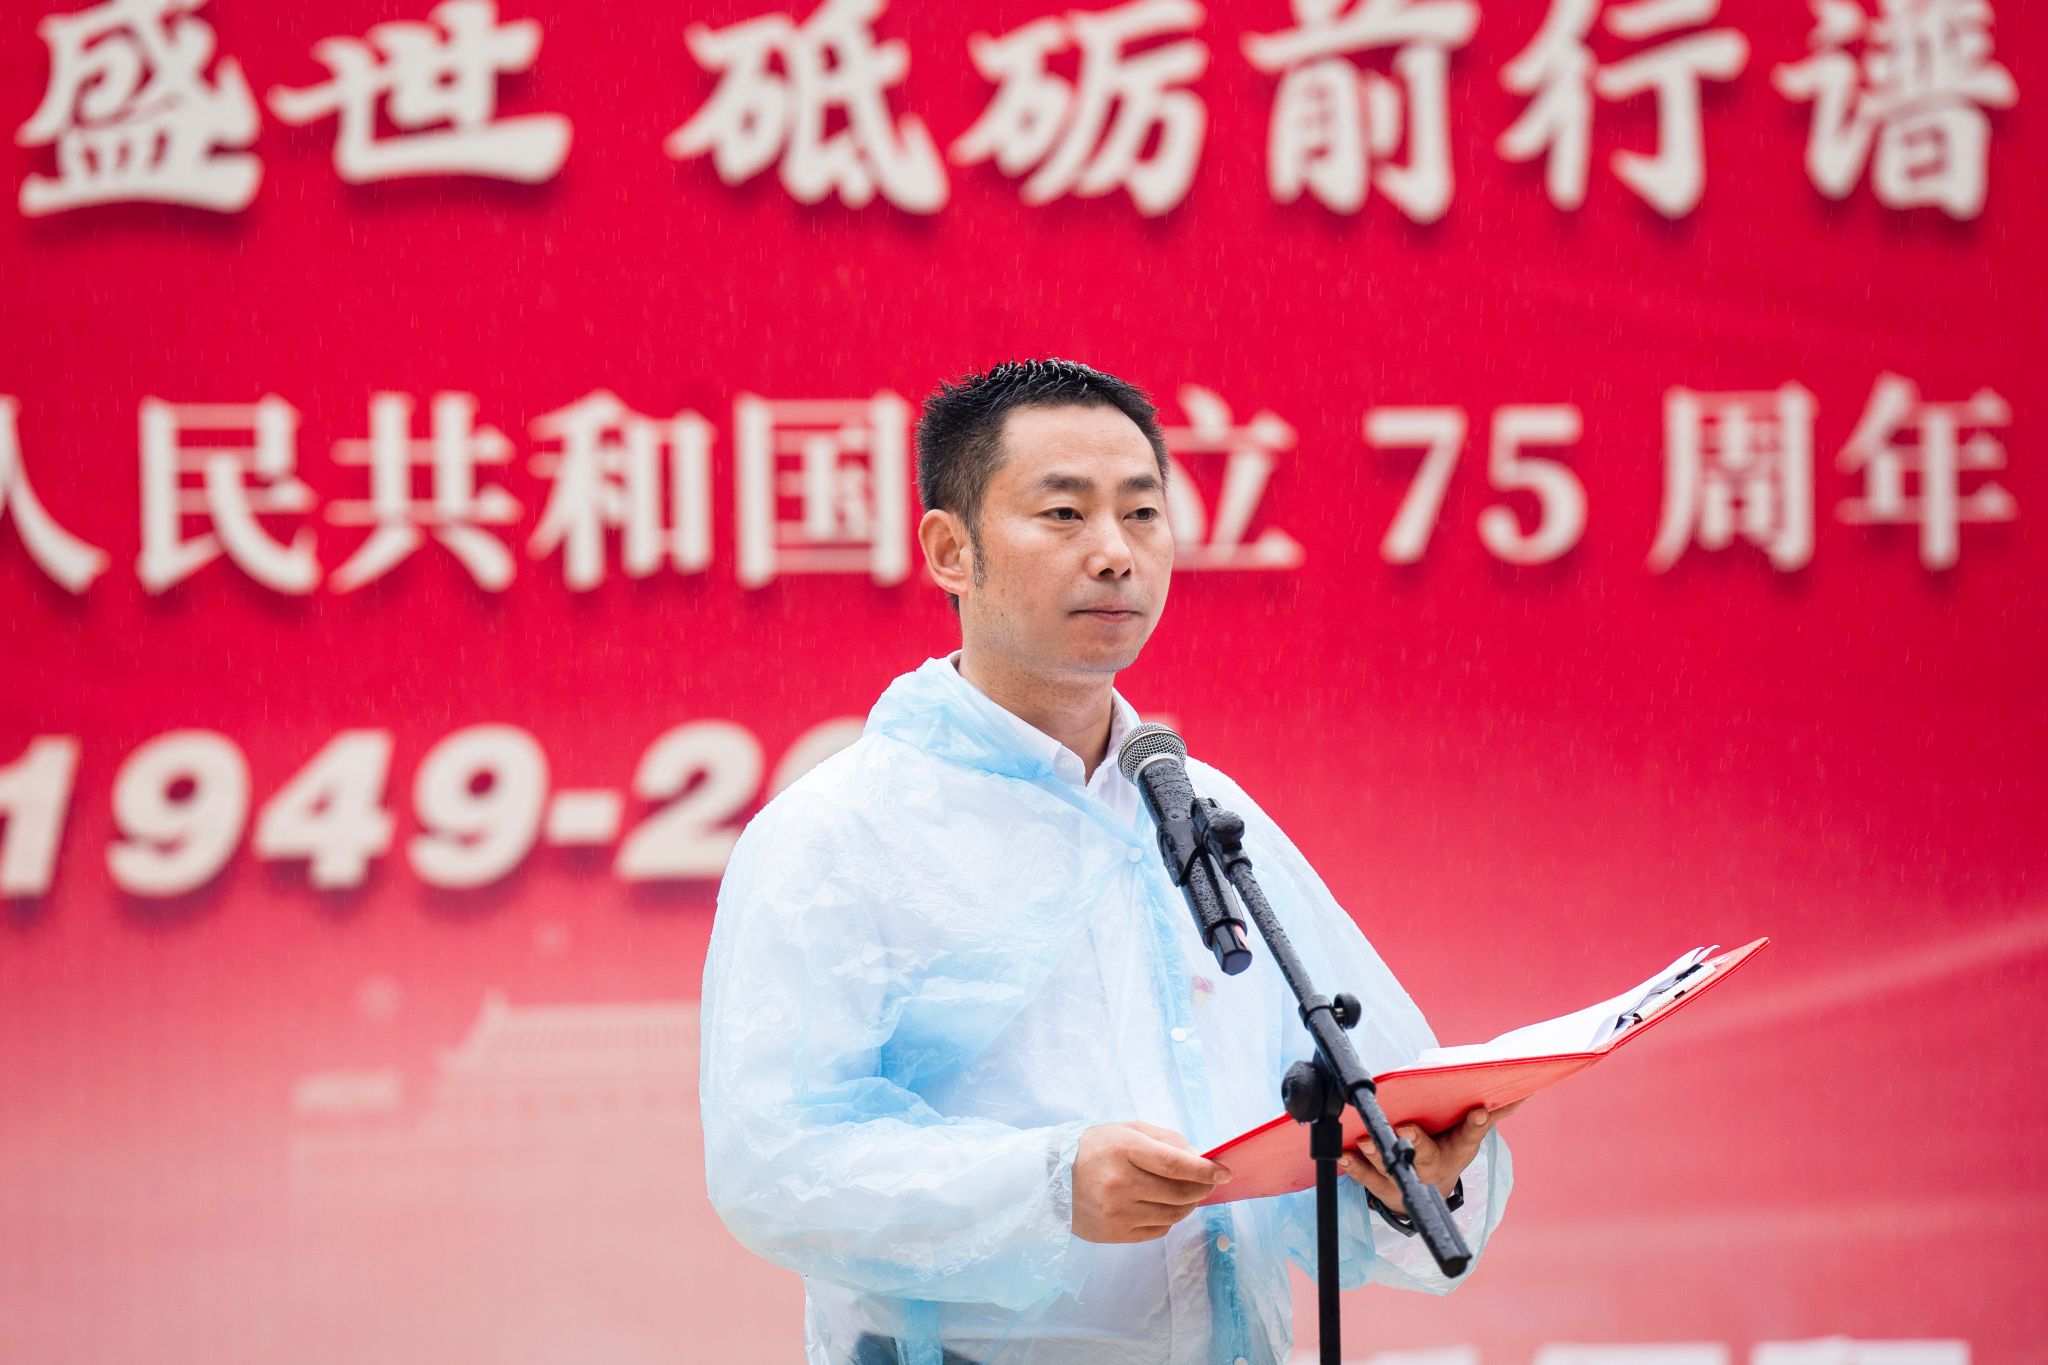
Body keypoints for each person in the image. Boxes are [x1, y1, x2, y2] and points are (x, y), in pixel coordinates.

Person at [700, 359, 1516, 1365]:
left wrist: (1403, 1167)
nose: (1115, 554)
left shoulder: (1205, 814)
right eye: (1063, 514)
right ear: (951, 551)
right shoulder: (840, 832)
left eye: (1141, 513)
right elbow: (775, 1164)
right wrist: (1047, 1187)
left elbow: (1365, 1088)